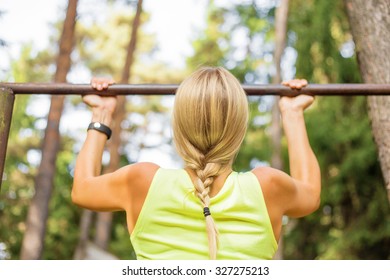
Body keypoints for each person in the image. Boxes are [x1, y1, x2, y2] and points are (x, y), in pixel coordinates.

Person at [71, 67, 321, 260]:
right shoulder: (269, 186)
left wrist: (101, 113)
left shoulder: (142, 182)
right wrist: (292, 113)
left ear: (178, 126)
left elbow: (82, 189)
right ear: (238, 128)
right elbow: (310, 191)